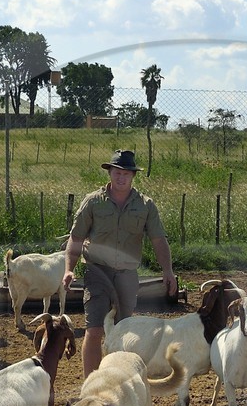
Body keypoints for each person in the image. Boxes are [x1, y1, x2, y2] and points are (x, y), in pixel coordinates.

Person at [61, 149, 178, 374]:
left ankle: (119, 383)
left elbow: (158, 239)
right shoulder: (93, 202)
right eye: (117, 172)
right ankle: (92, 387)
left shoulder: (145, 205)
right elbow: (75, 238)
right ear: (110, 173)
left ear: (133, 176)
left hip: (127, 276)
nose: (121, 177)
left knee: (125, 331)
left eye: (126, 173)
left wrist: (168, 271)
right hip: (97, 273)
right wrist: (69, 269)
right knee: (94, 330)